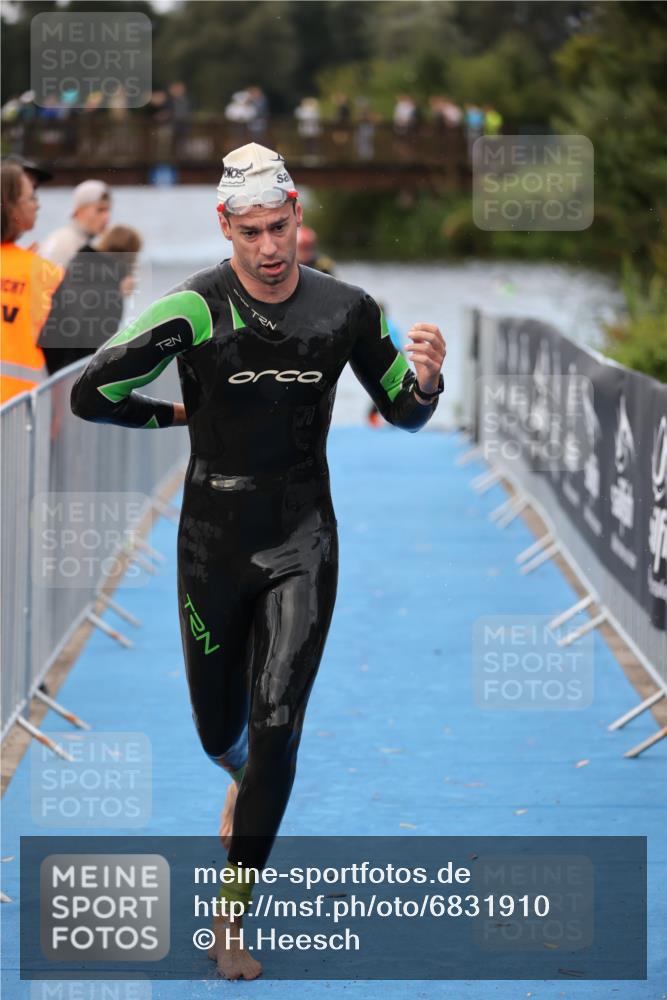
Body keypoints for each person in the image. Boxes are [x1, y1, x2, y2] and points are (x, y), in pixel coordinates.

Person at [70, 142, 445, 980]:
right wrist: (178, 421)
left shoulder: (348, 308)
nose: (271, 250)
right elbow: (92, 393)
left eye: (281, 228)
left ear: (298, 218)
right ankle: (239, 777)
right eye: (252, 234)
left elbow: (405, 412)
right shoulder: (192, 310)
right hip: (211, 540)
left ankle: (231, 918)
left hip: (303, 536)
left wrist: (426, 383)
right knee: (222, 733)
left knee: (279, 726)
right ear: (224, 226)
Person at [38, 225, 142, 374]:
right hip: (75, 369)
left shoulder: (76, 268)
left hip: (48, 360)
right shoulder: (110, 291)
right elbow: (97, 342)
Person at [1, 162, 63, 403]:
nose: (37, 205)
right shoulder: (44, 273)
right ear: (10, 207)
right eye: (32, 197)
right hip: (23, 413)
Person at [39, 179, 111, 268]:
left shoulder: (73, 239)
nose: (106, 217)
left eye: (108, 210)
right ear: (79, 211)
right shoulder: (65, 244)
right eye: (100, 210)